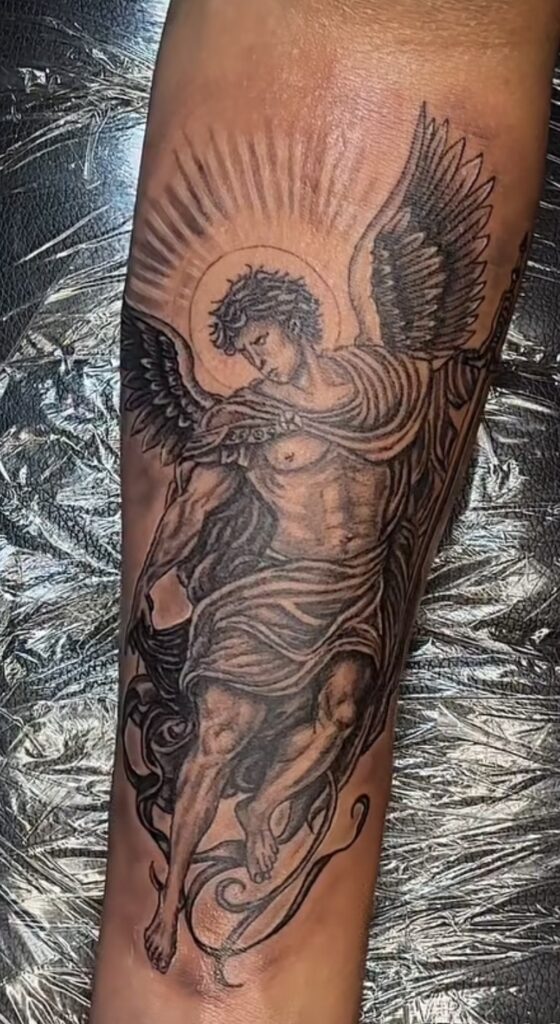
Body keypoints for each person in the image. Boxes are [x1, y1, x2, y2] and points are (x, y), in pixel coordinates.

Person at [89, 2, 560, 1022]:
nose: (255, 364)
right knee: (216, 734)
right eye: (244, 354)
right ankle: (175, 911)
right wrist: (196, 1004)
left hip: (351, 591)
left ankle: (265, 836)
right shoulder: (244, 417)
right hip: (263, 592)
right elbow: (199, 500)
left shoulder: (384, 378)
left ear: (292, 323)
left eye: (261, 343)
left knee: (340, 710)